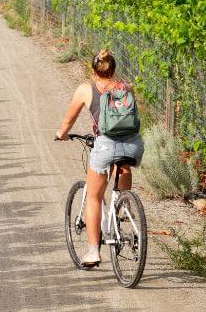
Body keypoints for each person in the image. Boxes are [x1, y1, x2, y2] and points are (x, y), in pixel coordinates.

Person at [55, 50, 144, 267]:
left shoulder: (86, 90)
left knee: (94, 196)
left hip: (105, 145)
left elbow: (69, 120)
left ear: (93, 70)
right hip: (133, 145)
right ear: (114, 69)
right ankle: (124, 206)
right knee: (121, 165)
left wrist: (62, 134)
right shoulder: (126, 88)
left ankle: (94, 251)